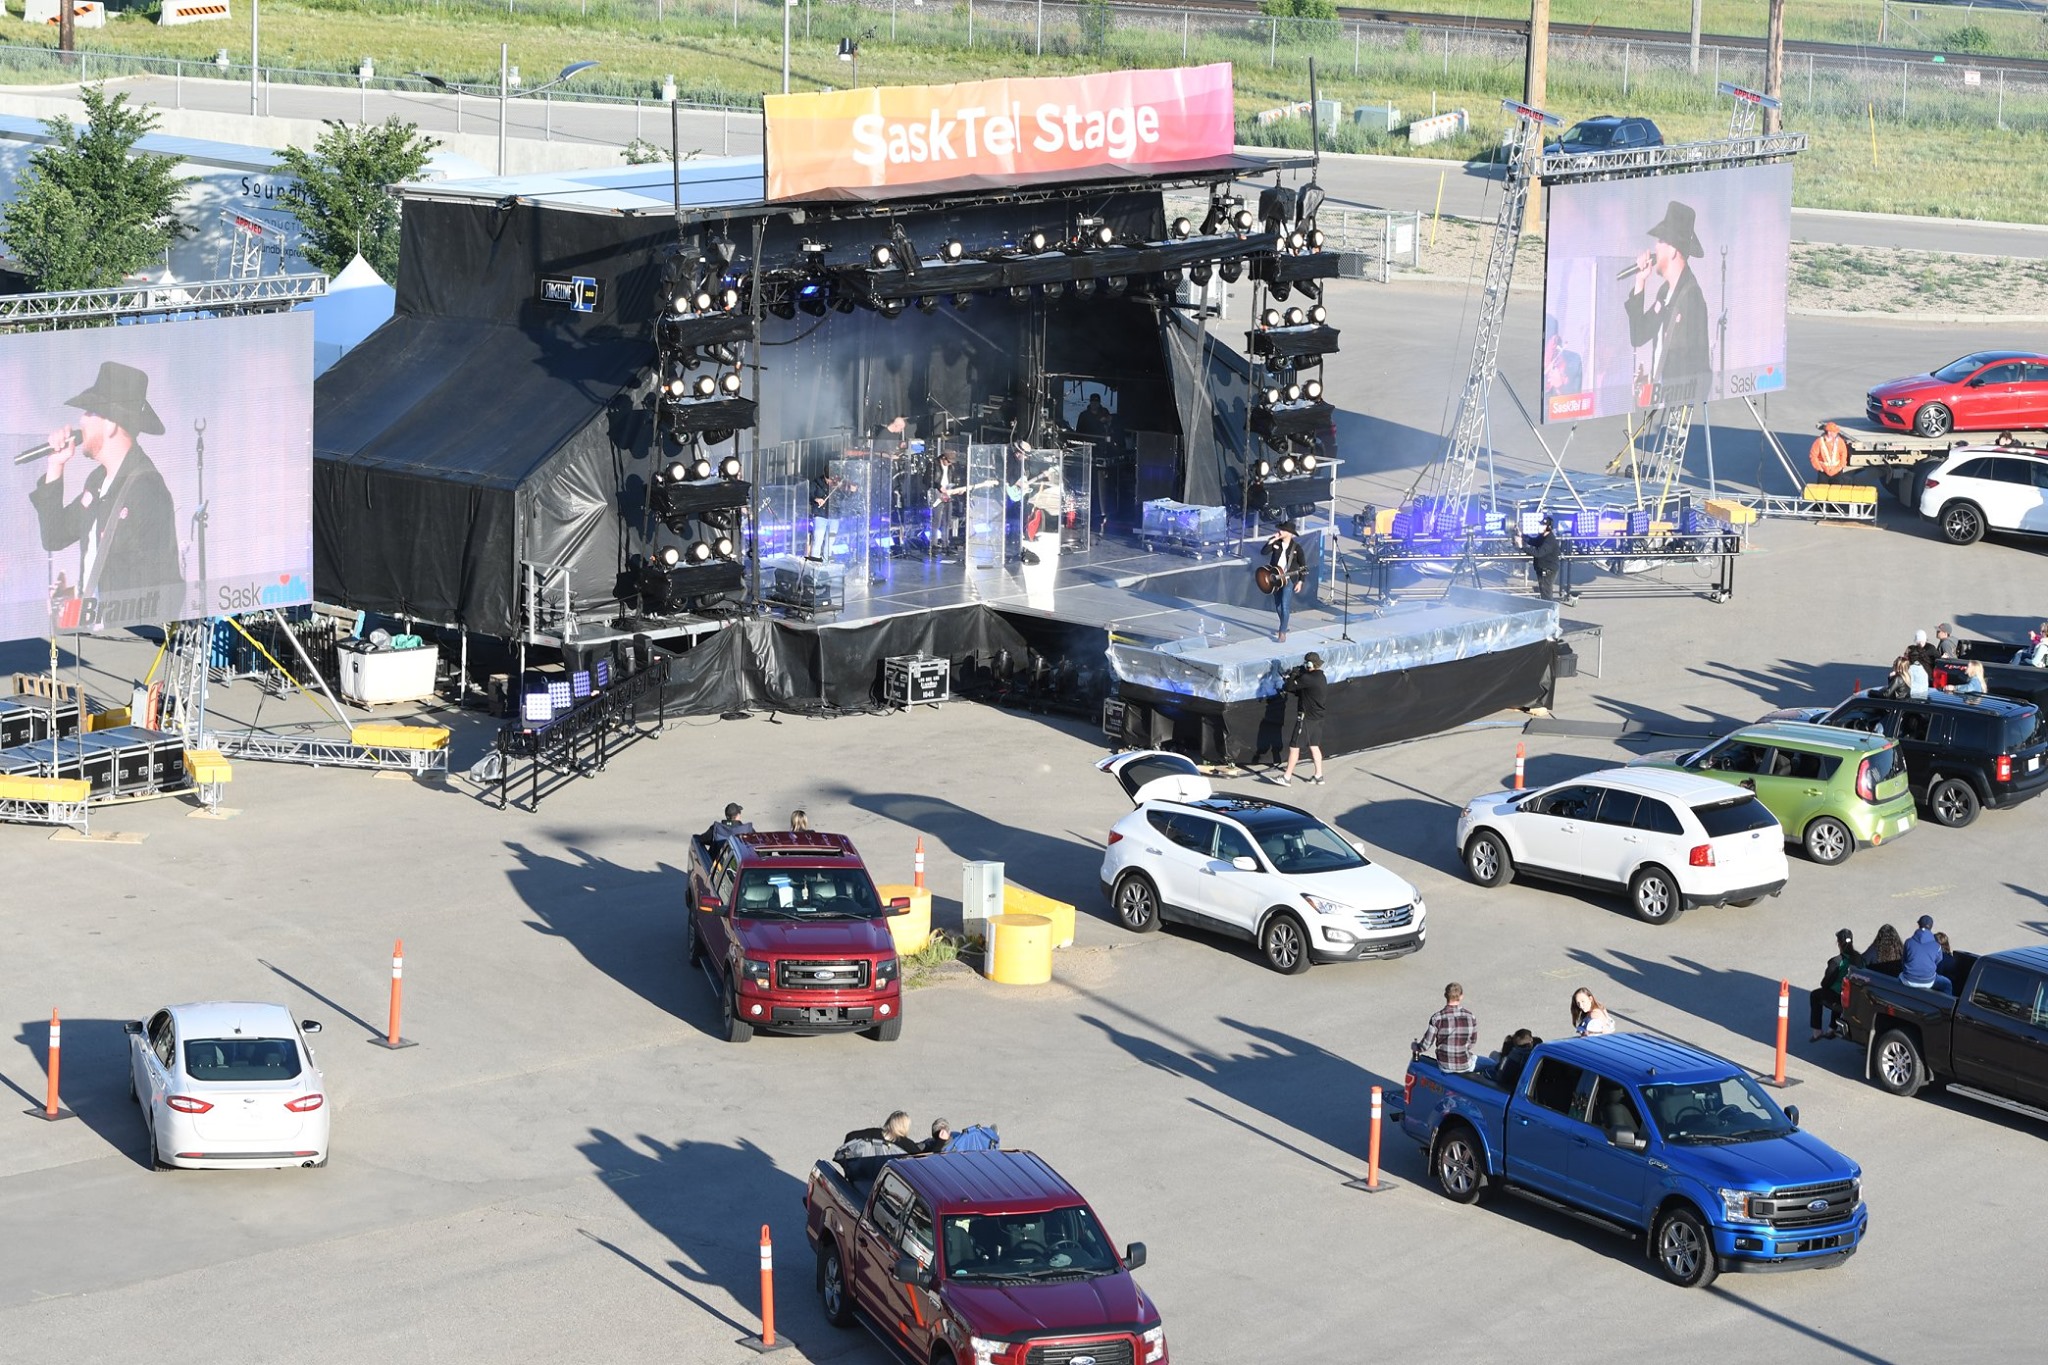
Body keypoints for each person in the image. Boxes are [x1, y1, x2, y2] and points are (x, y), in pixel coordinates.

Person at [30, 360, 182, 604]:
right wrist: (55, 465)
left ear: (111, 424)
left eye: (90, 412)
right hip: (96, 628)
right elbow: (54, 536)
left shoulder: (147, 490)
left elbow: (156, 586)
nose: (81, 420)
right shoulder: (97, 481)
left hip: (126, 634)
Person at [1623, 200, 1712, 406]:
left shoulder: (1691, 297)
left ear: (1673, 250)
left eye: (1661, 240)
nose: (1655, 247)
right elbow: (1638, 335)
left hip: (1676, 404)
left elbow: (1688, 363)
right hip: (1662, 399)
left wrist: (1661, 390)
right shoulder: (1665, 293)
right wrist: (1640, 281)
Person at [1276, 652, 1327, 787]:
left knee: (1294, 746)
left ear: (1309, 665)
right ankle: (1318, 775)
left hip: (1306, 718)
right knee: (1314, 745)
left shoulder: (1308, 679)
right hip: (1318, 717)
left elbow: (1289, 687)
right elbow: (1302, 690)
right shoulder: (1321, 677)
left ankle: (1287, 777)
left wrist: (1293, 675)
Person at [1810, 928, 1863, 1041]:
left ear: (1838, 944)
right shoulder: (1859, 958)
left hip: (1842, 998)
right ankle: (1832, 1027)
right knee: (1839, 991)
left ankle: (1817, 1031)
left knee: (1816, 995)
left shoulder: (1836, 962)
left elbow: (1825, 983)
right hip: (1857, 997)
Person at [1413, 982, 1478, 1073]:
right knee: (1485, 1062)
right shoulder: (1470, 1017)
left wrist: (1416, 1047)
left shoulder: (1437, 1018)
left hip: (1444, 1065)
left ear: (1445, 995)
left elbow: (1426, 1045)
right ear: (1461, 996)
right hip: (1464, 1064)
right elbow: (1472, 1041)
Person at [1262, 521, 1306, 643]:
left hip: (1288, 579)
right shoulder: (1276, 543)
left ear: (1289, 533)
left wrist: (1300, 581)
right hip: (1275, 578)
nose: (1280, 532)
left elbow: (1303, 567)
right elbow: (1263, 552)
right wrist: (1271, 541)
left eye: (1283, 530)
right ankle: (1284, 625)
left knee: (1285, 605)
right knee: (1278, 606)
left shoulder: (1296, 548)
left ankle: (1282, 632)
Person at [807, 469, 856, 561]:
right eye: (829, 480)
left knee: (830, 541)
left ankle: (826, 562)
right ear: (825, 477)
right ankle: (814, 561)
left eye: (833, 479)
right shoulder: (816, 483)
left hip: (834, 516)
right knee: (818, 540)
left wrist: (851, 492)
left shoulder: (838, 485)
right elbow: (809, 495)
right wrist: (816, 499)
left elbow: (844, 498)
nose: (831, 482)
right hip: (820, 515)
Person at [1900, 914, 1952, 994]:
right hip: (1928, 982)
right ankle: (1945, 1005)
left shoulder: (1908, 942)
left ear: (1918, 925)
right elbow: (1938, 961)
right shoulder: (1937, 946)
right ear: (1931, 927)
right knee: (1947, 984)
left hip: (1908, 980)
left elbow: (1904, 960)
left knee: (1897, 978)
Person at [1542, 315, 1584, 398]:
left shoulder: (1573, 361)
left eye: (1545, 343)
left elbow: (1575, 400)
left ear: (1555, 340)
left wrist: (1560, 387)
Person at [1524, 514, 1563, 602]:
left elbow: (1538, 553)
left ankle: (1549, 611)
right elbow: (1533, 541)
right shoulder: (1543, 536)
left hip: (1548, 570)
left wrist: (1523, 547)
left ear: (1549, 527)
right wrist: (1523, 536)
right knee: (1543, 590)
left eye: (1543, 525)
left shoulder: (1549, 540)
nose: (1540, 527)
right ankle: (1546, 608)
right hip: (1542, 568)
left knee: (1546, 593)